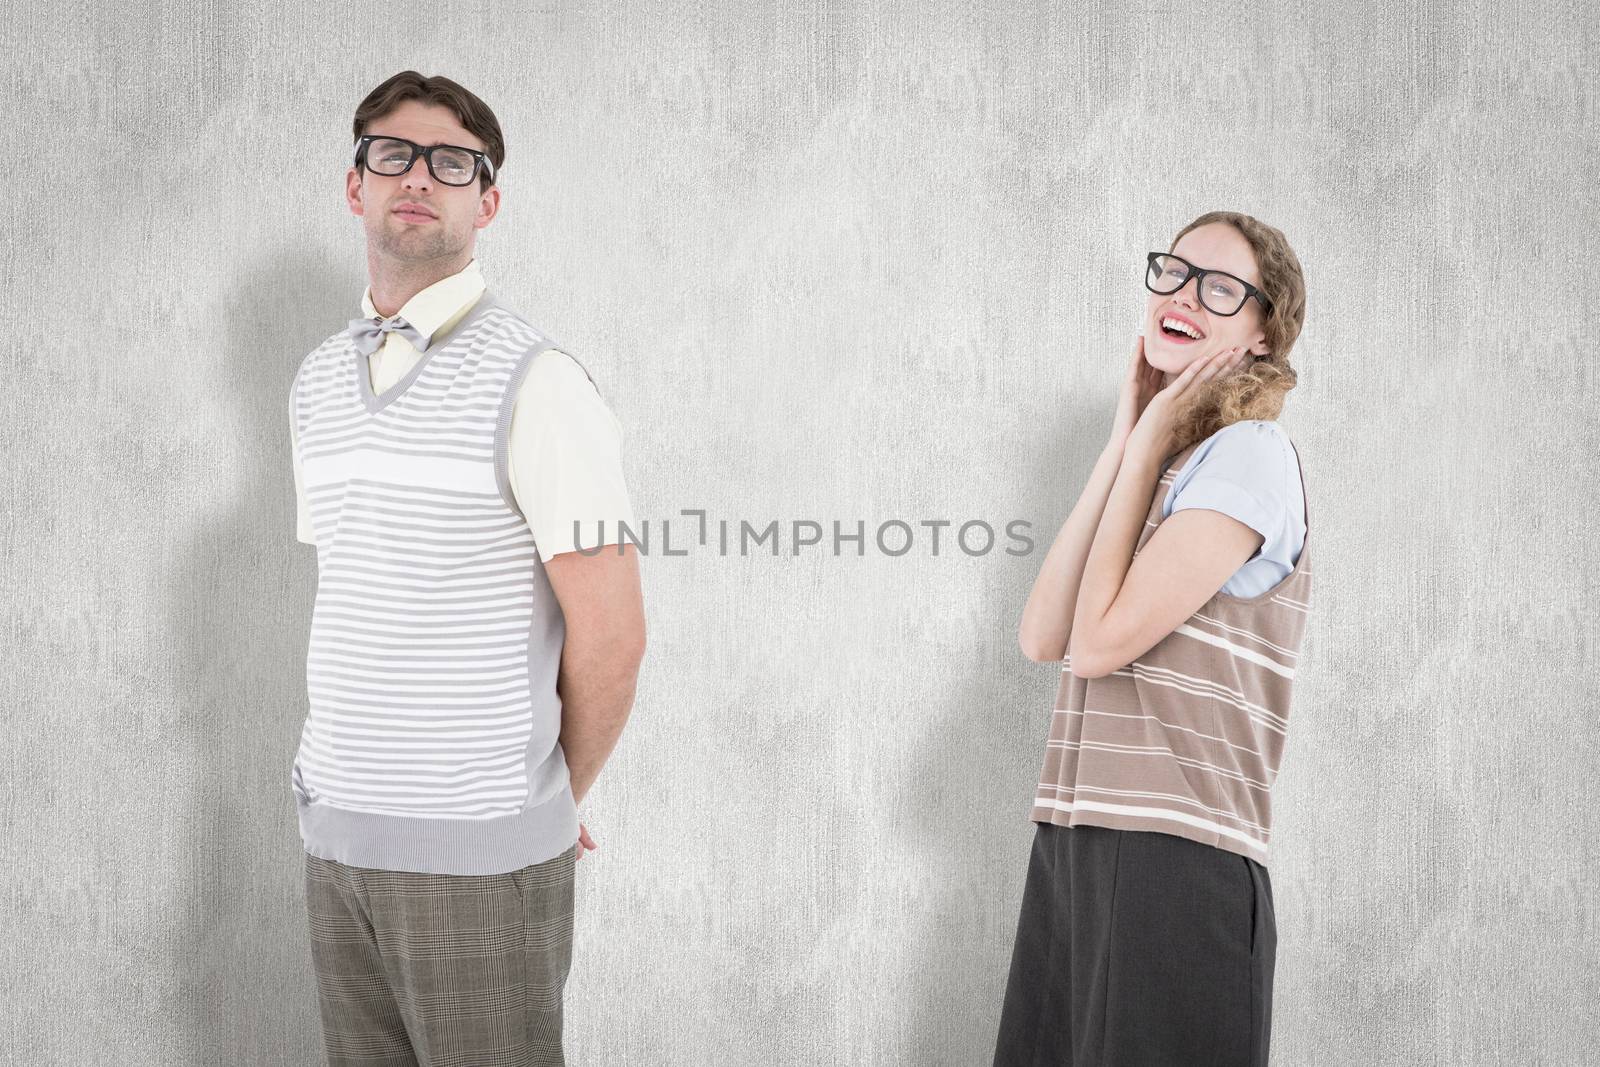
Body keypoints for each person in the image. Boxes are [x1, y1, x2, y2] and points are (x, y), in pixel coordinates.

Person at [286, 71, 646, 1067]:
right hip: (339, 836)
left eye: (453, 163)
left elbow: (612, 635)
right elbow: (363, 591)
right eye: (391, 153)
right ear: (353, 184)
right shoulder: (319, 379)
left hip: (479, 856)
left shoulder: (540, 383)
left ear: (487, 202)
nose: (419, 177)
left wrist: (549, 799)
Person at [993, 212, 1311, 1066]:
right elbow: (1043, 633)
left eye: (1219, 288)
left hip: (1176, 862)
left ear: (1261, 334)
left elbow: (1095, 646)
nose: (1182, 295)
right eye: (1173, 272)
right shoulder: (1171, 463)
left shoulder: (1250, 455)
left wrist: (1145, 450)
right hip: (1077, 841)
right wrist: (1123, 439)